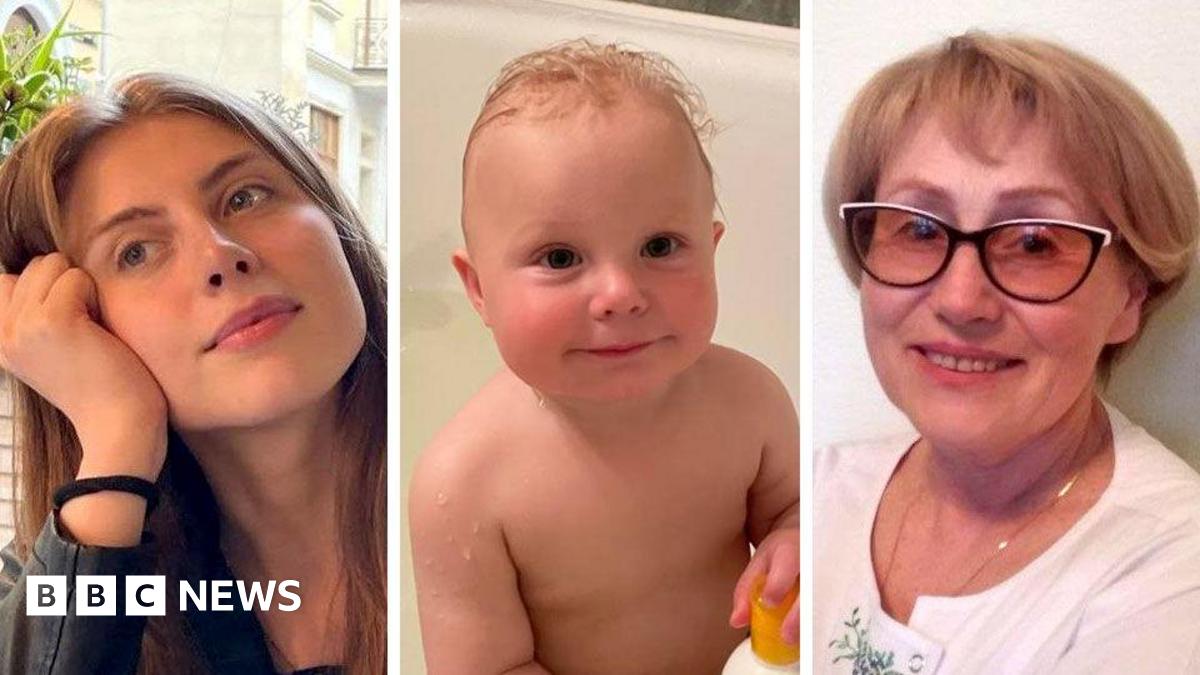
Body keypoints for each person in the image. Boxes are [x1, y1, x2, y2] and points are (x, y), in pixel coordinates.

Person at [409, 40, 799, 674]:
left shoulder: (750, 401)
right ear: (479, 290)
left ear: (711, 248)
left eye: (660, 245)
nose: (620, 294)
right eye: (560, 258)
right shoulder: (466, 483)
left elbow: (794, 508)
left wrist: (793, 540)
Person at [816, 32, 1200, 674]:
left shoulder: (1172, 573)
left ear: (1131, 297)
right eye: (915, 227)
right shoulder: (821, 489)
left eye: (1034, 242)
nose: (962, 301)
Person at [0, 74, 386, 674]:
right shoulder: (41, 594)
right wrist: (117, 436)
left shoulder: (493, 487)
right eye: (136, 251)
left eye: (245, 197)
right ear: (76, 325)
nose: (220, 255)